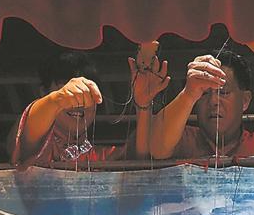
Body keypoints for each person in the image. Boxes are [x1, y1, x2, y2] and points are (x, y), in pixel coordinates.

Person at [9, 51, 170, 167]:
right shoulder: (37, 144)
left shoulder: (101, 157)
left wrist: (143, 105)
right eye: (68, 91)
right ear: (44, 93)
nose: (78, 102)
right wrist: (57, 99)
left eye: (87, 93)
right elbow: (27, 135)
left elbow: (140, 163)